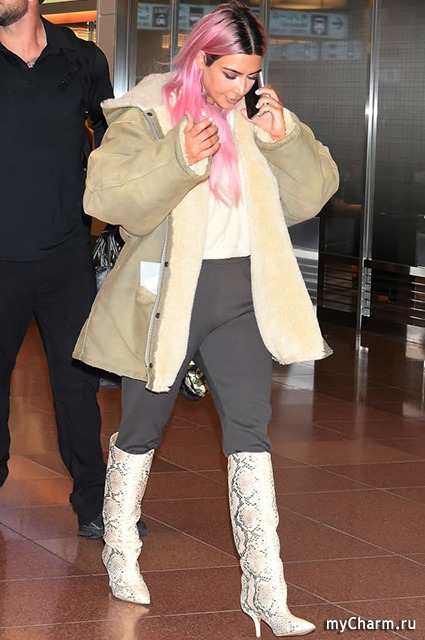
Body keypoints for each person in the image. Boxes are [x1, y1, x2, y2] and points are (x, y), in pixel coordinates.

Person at [74, 1, 339, 635]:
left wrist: (284, 138)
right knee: (142, 427)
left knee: (252, 434)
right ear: (199, 61)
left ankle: (266, 591)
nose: (241, 88)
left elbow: (312, 195)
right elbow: (105, 198)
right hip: (167, 296)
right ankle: (120, 551)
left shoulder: (254, 119)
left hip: (241, 296)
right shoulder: (147, 112)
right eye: (230, 75)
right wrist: (178, 157)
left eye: (251, 75)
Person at [0, 0, 149, 540]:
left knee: (78, 385)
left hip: (66, 254)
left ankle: (95, 501)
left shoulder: (82, 58)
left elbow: (114, 142)